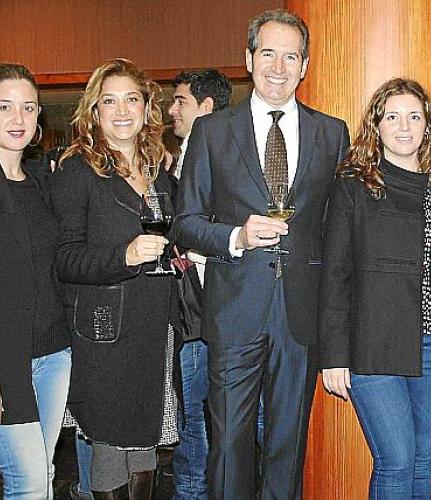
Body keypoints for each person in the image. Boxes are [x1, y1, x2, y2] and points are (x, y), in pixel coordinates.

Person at [174, 8, 350, 499]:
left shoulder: (331, 133)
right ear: (248, 59)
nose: (278, 67)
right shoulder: (212, 131)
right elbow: (185, 223)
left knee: (287, 448)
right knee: (228, 446)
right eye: (268, 53)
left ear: (305, 65)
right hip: (233, 312)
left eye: (291, 57)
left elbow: (339, 232)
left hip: (301, 316)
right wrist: (237, 236)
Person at [318, 78, 431, 499]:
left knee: (422, 460)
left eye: (414, 117)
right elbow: (334, 274)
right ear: (376, 125)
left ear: (427, 125)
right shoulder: (354, 184)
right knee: (397, 460)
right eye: (393, 117)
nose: (404, 127)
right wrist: (334, 355)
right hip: (374, 345)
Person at [51, 58, 180, 499]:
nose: (122, 110)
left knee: (145, 445)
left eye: (131, 99)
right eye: (110, 101)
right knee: (109, 443)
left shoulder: (157, 169)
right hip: (105, 331)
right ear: (94, 111)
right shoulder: (77, 170)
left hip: (155, 324)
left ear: (146, 107)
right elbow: (65, 259)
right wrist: (124, 255)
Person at [0, 63, 72, 499]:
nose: (18, 118)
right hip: (7, 360)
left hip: (55, 354)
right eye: (4, 107)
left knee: (43, 476)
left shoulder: (43, 181)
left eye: (28, 108)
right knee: (27, 484)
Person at [168, 68, 231, 500]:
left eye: (181, 101)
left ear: (206, 107)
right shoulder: (176, 161)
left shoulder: (218, 156)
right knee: (199, 419)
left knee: (200, 414)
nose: (171, 110)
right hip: (197, 311)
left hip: (212, 309)